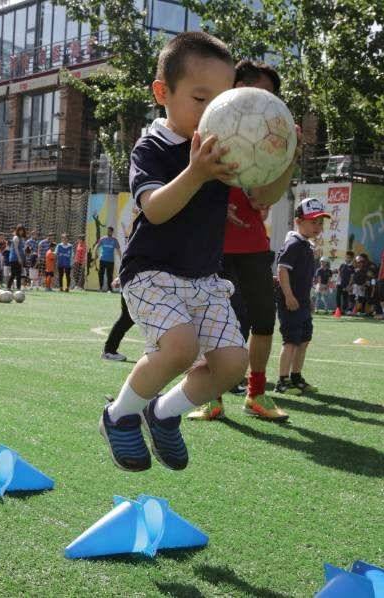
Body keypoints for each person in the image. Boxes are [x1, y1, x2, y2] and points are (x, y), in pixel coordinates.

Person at [100, 32, 270, 472]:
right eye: (200, 98)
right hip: (152, 270)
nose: (214, 111)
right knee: (179, 347)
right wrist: (195, 174)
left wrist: (283, 155)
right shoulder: (152, 147)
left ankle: (164, 413)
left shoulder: (221, 150)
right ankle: (119, 415)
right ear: (163, 93)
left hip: (204, 276)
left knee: (233, 363)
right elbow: (154, 210)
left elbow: (264, 192)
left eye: (223, 99)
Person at [188, 59, 301, 421]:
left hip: (252, 243)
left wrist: (290, 157)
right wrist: (217, 208)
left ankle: (256, 394)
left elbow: (265, 197)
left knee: (264, 320)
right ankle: (211, 395)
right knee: (213, 322)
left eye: (271, 95)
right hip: (211, 244)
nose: (265, 100)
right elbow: (186, 185)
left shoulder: (270, 135)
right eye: (259, 91)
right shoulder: (205, 128)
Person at [275, 199, 330, 396]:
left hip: (303, 302)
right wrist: (288, 296)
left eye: (320, 223)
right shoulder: (294, 243)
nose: (318, 227)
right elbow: (282, 269)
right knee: (290, 341)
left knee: (303, 340)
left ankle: (296, 377)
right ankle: (282, 381)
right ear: (299, 221)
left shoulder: (305, 245)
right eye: (313, 222)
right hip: (291, 301)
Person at [102, 295, 134, 361]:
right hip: (137, 289)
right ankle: (109, 351)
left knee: (127, 318)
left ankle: (109, 350)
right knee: (127, 318)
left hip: (135, 288)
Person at [93, 226, 121, 292]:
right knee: (101, 274)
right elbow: (97, 246)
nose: (108, 232)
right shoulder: (103, 239)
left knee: (110, 276)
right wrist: (95, 254)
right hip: (102, 259)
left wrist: (121, 258)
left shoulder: (115, 240)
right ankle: (100, 288)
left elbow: (118, 250)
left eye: (110, 231)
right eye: (108, 231)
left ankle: (110, 289)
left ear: (112, 232)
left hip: (110, 261)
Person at [7, 225, 27, 290]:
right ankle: (8, 287)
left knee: (19, 274)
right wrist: (19, 258)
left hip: (19, 257)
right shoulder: (16, 237)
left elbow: (21, 248)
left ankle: (18, 288)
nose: (21, 232)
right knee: (13, 273)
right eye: (20, 230)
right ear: (17, 230)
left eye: (22, 230)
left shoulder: (22, 238)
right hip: (14, 258)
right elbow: (16, 249)